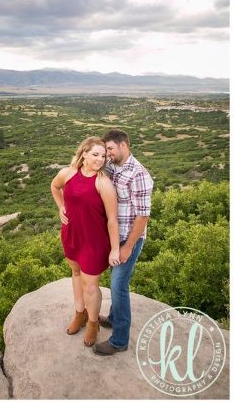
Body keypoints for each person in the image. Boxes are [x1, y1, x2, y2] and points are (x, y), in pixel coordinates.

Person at [51, 137, 120, 347]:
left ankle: (92, 323)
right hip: (71, 235)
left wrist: (115, 249)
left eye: (103, 156)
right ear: (84, 154)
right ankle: (79, 314)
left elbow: (112, 219)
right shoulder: (68, 173)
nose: (100, 159)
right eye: (95, 155)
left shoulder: (103, 183)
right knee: (76, 274)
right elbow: (55, 186)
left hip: (93, 242)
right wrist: (60, 206)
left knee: (91, 285)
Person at [95, 129, 154, 355]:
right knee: (115, 281)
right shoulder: (113, 166)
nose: (107, 154)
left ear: (123, 145)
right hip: (113, 236)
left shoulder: (138, 174)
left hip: (129, 238)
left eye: (110, 149)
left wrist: (128, 246)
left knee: (119, 286)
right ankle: (112, 317)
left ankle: (119, 341)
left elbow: (143, 216)